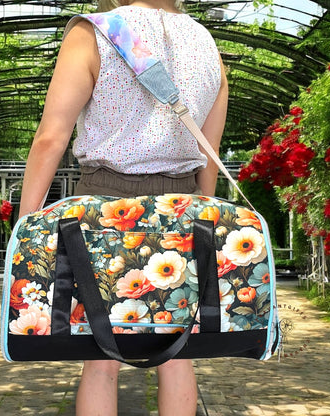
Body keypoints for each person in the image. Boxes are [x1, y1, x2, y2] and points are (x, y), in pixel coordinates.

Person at [18, 0, 228, 414]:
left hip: (101, 212)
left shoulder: (93, 33)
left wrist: (25, 226)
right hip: (182, 213)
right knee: (178, 353)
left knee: (100, 358)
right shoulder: (207, 44)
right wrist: (201, 221)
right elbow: (209, 153)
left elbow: (50, 138)